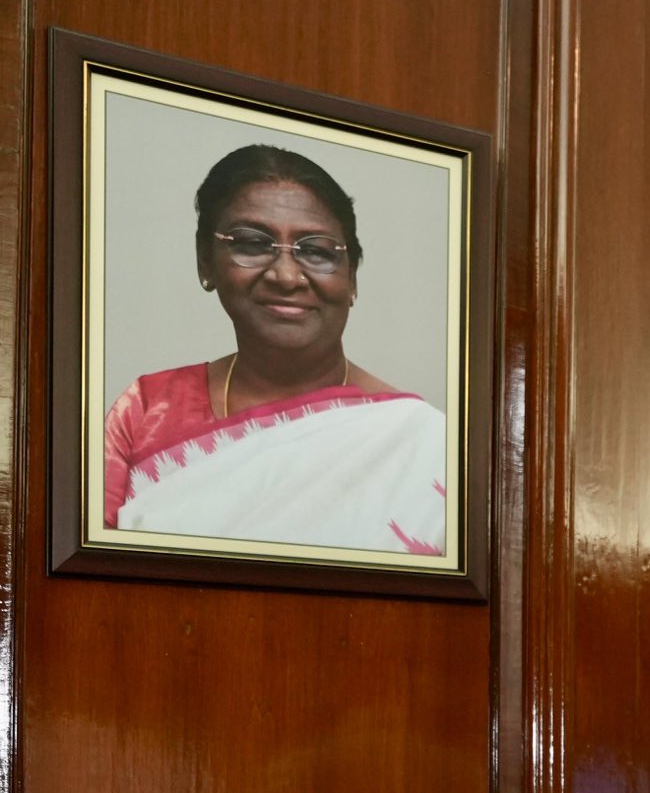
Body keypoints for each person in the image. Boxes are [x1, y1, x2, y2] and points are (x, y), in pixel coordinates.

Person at [102, 144, 446, 554]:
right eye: (252, 244)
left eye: (317, 251)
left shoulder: (421, 444)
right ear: (205, 263)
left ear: (352, 278)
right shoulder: (147, 411)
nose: (286, 275)